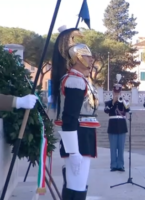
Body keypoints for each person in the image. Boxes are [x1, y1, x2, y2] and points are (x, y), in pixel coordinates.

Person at [51, 25, 100, 200]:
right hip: (78, 136)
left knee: (77, 184)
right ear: (78, 58)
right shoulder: (74, 81)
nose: (91, 59)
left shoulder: (80, 80)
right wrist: (73, 151)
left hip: (83, 135)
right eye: (87, 55)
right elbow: (69, 118)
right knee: (76, 186)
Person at [104, 74, 130, 172]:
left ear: (121, 92)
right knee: (113, 148)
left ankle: (121, 165)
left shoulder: (124, 101)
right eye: (115, 92)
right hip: (112, 126)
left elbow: (128, 109)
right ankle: (113, 165)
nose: (117, 94)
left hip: (122, 126)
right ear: (113, 92)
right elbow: (106, 111)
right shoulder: (108, 102)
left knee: (121, 148)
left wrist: (122, 101)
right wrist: (113, 102)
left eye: (118, 92)